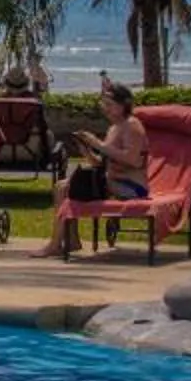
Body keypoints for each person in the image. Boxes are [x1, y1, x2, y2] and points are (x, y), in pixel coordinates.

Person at [39, 80, 152, 258]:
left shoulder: (132, 125)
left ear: (124, 105)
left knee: (66, 187)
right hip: (111, 182)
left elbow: (131, 159)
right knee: (60, 186)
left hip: (132, 187)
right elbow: (102, 163)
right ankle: (72, 240)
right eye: (104, 104)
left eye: (110, 105)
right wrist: (87, 150)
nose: (106, 109)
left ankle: (55, 244)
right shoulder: (114, 128)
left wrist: (97, 144)